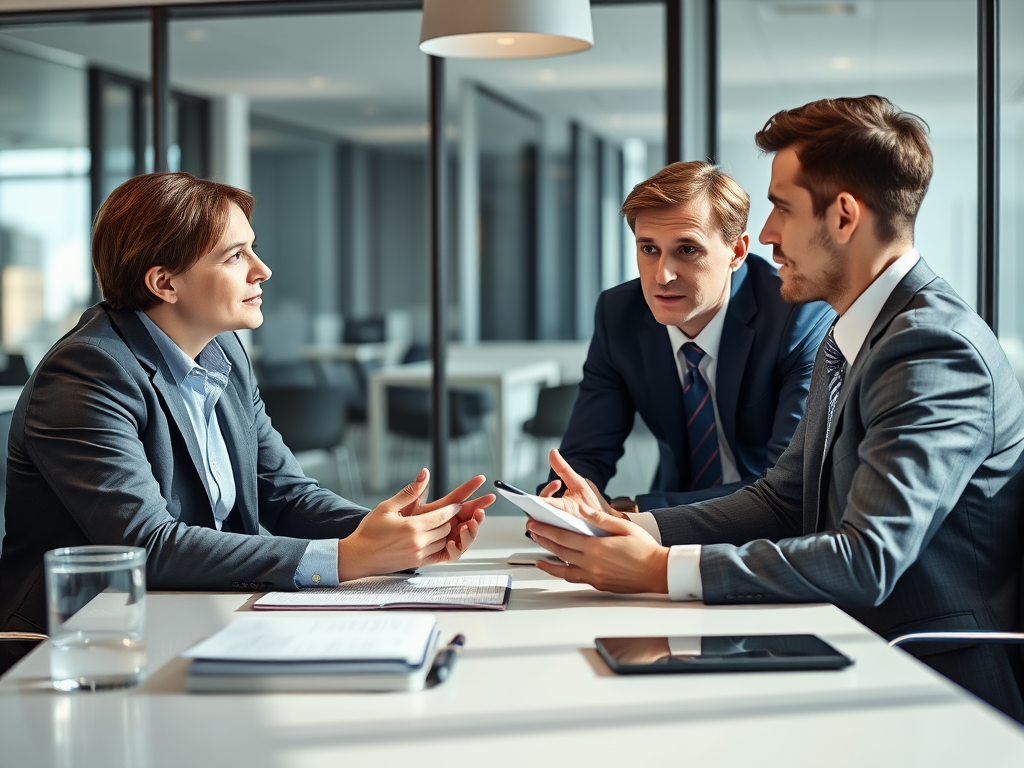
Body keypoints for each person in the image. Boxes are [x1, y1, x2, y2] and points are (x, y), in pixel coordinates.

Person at [527, 96, 1024, 721]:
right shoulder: (859, 333)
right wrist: (637, 531)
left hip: (926, 673)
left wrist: (660, 569)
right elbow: (784, 498)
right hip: (839, 639)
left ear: (844, 216)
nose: (764, 235)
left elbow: (867, 559)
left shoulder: (928, 346)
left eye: (781, 209)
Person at [0, 172, 494, 673]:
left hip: (193, 615)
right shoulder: (88, 372)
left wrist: (388, 532)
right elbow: (145, 544)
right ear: (164, 283)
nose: (263, 270)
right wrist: (345, 558)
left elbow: (284, 492)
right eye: (235, 256)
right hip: (76, 645)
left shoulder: (224, 353)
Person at [552, 161, 833, 512]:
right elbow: (584, 456)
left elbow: (787, 485)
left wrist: (640, 513)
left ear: (737, 252)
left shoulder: (797, 317)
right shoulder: (619, 315)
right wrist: (563, 504)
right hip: (665, 518)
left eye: (687, 249)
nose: (662, 275)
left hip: (765, 535)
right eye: (648, 249)